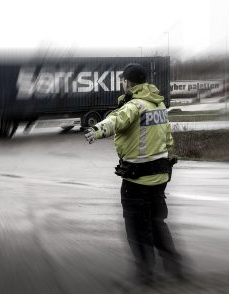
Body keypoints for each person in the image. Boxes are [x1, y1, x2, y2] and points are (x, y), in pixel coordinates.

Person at [84, 63, 183, 284]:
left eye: (123, 81)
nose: (122, 84)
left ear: (129, 82)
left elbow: (115, 120)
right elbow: (168, 139)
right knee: (157, 222)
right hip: (160, 177)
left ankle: (146, 273)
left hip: (137, 179)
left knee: (137, 227)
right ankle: (175, 265)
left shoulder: (134, 106)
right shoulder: (158, 106)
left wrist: (97, 130)